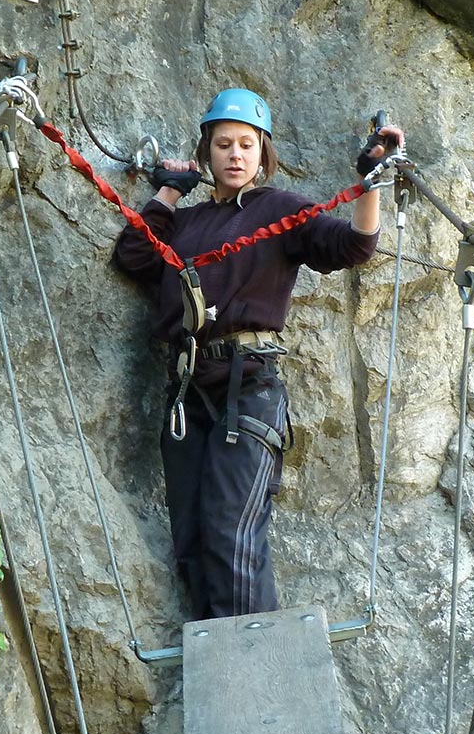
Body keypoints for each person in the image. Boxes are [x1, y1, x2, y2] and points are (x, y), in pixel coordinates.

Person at [111, 87, 405, 619]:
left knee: (231, 533)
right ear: (207, 153)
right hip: (188, 391)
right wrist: (170, 194)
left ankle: (256, 677)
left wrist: (371, 182)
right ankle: (219, 667)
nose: (235, 154)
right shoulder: (188, 223)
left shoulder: (280, 210)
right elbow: (133, 255)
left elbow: (355, 247)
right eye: (223, 144)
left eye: (247, 143)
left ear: (262, 152)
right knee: (193, 541)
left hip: (247, 388)